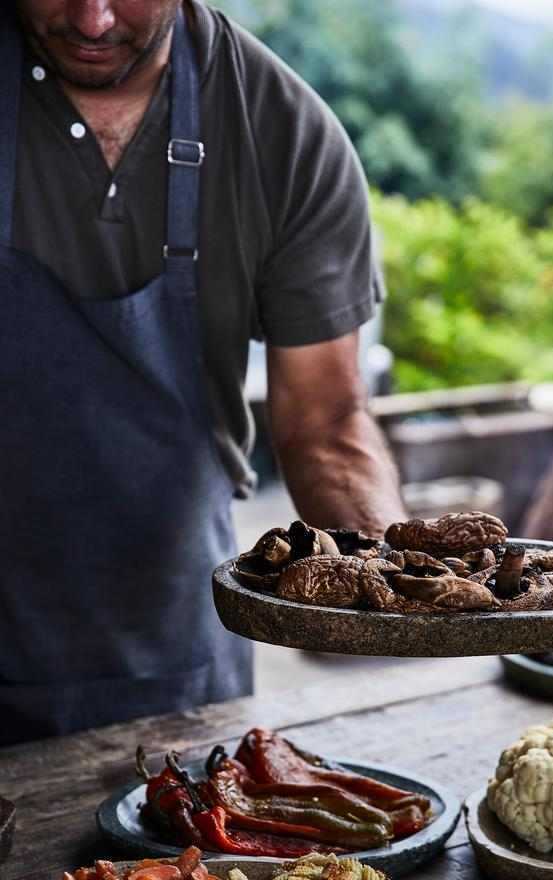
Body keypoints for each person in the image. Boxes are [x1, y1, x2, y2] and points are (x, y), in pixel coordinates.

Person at [0, 0, 408, 746]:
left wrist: (394, 577)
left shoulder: (282, 132)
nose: (92, 19)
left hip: (175, 668)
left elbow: (324, 421)